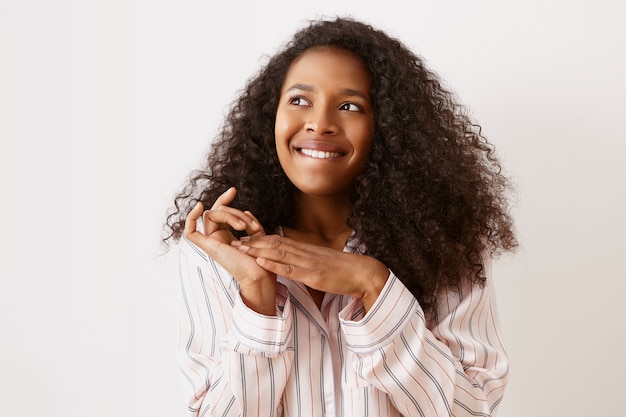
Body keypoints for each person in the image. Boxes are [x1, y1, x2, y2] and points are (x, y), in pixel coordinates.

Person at [162, 16, 517, 417]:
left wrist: (372, 285)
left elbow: (470, 409)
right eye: (300, 100)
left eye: (349, 106)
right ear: (270, 117)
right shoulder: (217, 252)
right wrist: (257, 297)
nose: (320, 123)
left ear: (385, 127)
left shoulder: (445, 243)